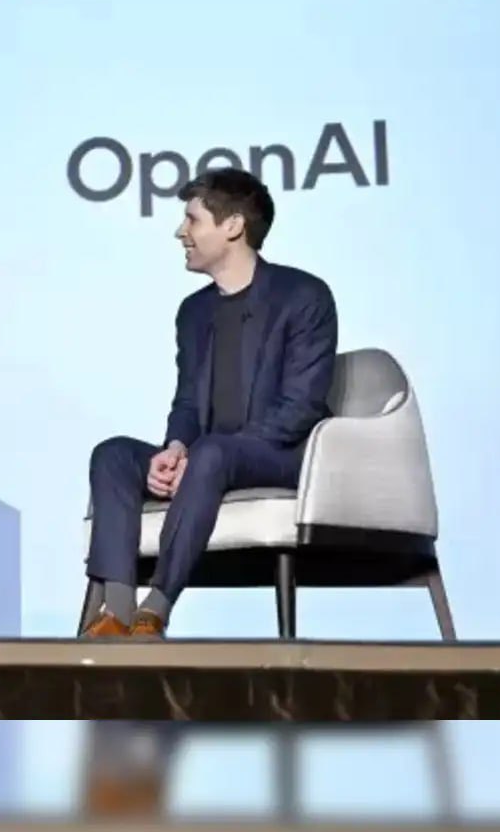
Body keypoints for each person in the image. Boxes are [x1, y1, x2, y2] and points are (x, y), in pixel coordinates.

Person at [83, 168, 337, 640]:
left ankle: (155, 610)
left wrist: (208, 454)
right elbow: (186, 402)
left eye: (192, 220)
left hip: (281, 456)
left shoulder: (304, 296)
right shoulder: (194, 311)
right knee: (113, 454)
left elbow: (300, 407)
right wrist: (176, 449)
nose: (180, 232)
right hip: (208, 457)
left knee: (214, 451)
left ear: (233, 226)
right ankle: (116, 612)